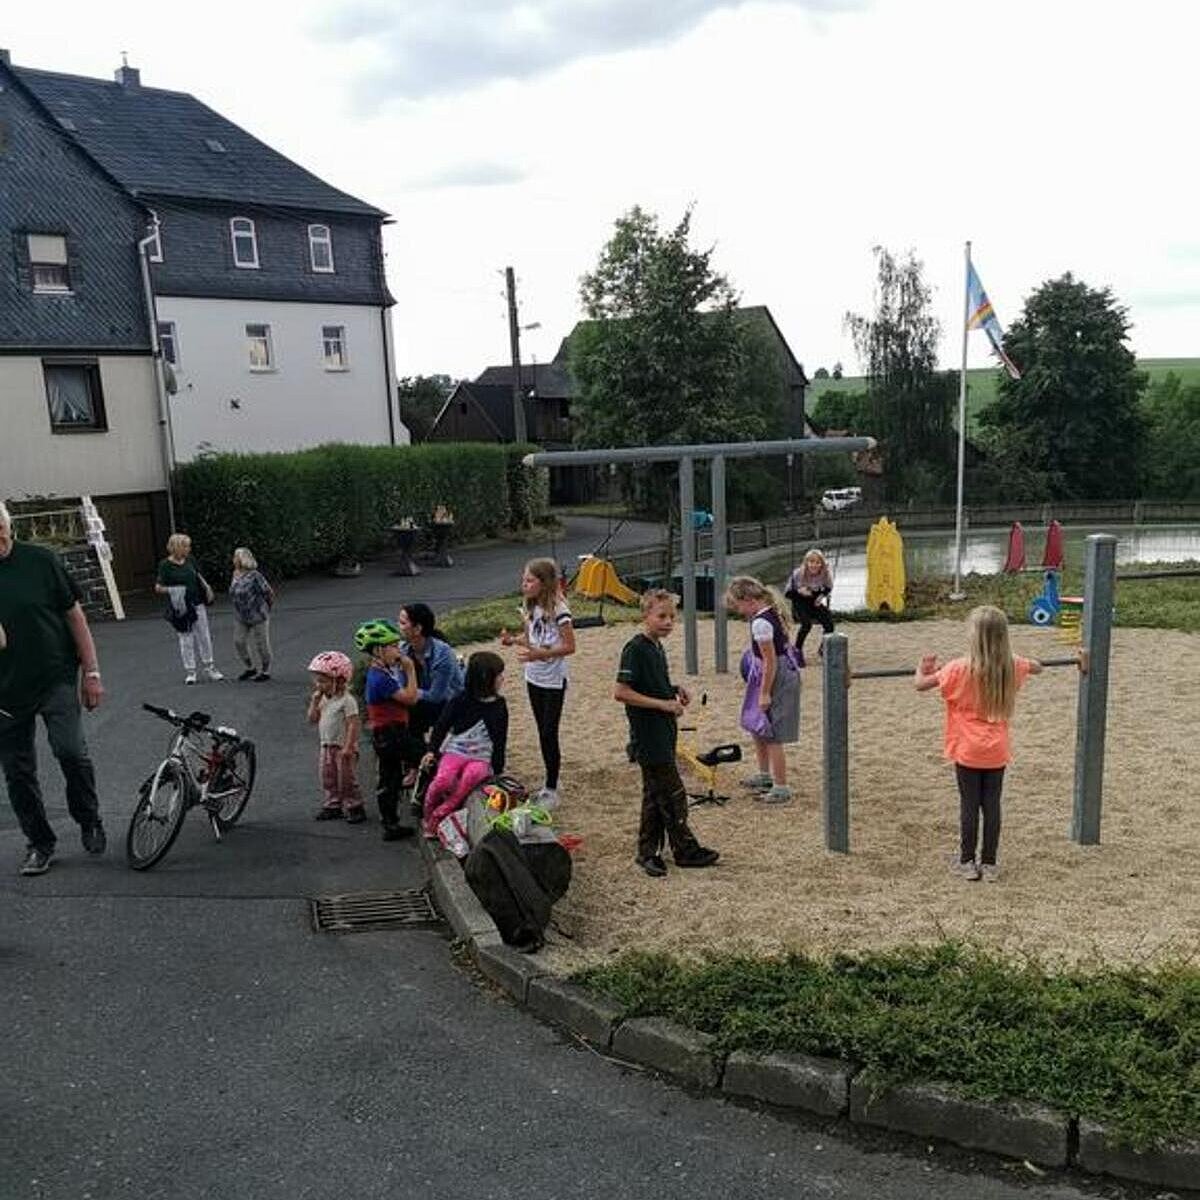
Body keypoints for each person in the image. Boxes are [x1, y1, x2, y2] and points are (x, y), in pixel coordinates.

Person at [0, 501, 106, 875]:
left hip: (54, 676)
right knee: (17, 771)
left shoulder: (40, 561)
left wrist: (91, 673)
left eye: (0, 528)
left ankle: (88, 818)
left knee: (70, 751)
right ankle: (40, 842)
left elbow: (74, 616)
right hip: (5, 692)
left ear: (9, 528)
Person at [915, 605, 1046, 882]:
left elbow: (921, 684)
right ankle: (989, 863)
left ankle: (966, 861)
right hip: (996, 750)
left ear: (974, 637)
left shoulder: (958, 668)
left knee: (969, 805)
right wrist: (1017, 658)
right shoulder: (1010, 666)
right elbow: (1038, 667)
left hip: (967, 750)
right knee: (992, 805)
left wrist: (923, 668)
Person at [614, 589, 719, 877]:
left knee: (655, 794)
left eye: (672, 616)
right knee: (673, 793)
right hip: (648, 735)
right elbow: (621, 692)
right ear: (645, 616)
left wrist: (673, 689)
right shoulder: (635, 648)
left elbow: (650, 683)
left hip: (663, 731)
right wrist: (663, 704)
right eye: (661, 616)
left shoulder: (656, 647)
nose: (668, 622)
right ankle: (685, 850)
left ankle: (647, 852)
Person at [499, 557, 575, 808]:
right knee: (542, 731)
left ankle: (552, 787)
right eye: (524, 579)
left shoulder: (560, 609)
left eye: (530, 580)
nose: (524, 584)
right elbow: (534, 637)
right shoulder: (531, 606)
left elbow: (569, 646)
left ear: (544, 583)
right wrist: (513, 640)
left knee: (548, 732)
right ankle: (550, 778)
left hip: (553, 678)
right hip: (533, 676)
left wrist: (539, 654)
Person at [726, 575, 801, 804]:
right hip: (767, 673)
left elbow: (770, 661)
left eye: (737, 605)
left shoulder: (761, 623)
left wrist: (765, 692)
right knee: (758, 725)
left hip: (775, 677)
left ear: (748, 599)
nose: (738, 611)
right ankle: (764, 774)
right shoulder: (768, 613)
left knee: (773, 732)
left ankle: (781, 786)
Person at [421, 650, 508, 837]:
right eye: (498, 675)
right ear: (485, 679)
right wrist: (432, 751)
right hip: (456, 751)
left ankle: (439, 815)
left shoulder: (500, 705)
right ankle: (427, 813)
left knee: (470, 778)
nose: (502, 679)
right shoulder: (460, 699)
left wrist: (498, 770)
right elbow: (441, 726)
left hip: (482, 757)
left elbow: (501, 739)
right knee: (443, 781)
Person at [356, 618, 418, 841]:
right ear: (378, 650)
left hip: (385, 734)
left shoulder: (382, 672)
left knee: (389, 777)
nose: (398, 651)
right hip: (392, 733)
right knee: (426, 758)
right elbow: (410, 698)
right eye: (392, 646)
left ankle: (390, 824)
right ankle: (419, 807)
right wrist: (411, 671)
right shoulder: (380, 679)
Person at [155, 533, 223, 685]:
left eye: (188, 546)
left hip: (197, 603)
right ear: (176, 547)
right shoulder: (165, 565)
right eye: (185, 546)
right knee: (185, 638)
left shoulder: (191, 560)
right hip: (180, 606)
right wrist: (175, 590)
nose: (188, 549)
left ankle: (210, 666)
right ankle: (191, 671)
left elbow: (198, 575)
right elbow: (158, 587)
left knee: (204, 635)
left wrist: (207, 588)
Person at [398, 602, 463, 757]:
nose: (398, 627)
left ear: (418, 629)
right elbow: (399, 683)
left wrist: (409, 692)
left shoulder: (442, 654)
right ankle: (415, 760)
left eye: (403, 623)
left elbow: (437, 695)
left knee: (412, 709)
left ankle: (427, 757)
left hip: (451, 702)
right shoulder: (403, 649)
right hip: (422, 699)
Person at [306, 650, 364, 823]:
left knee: (346, 778)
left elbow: (353, 724)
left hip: (342, 746)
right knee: (328, 776)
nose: (318, 685)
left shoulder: (347, 701)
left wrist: (349, 746)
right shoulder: (324, 699)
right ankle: (333, 804)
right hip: (326, 745)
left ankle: (354, 805)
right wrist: (315, 702)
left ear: (338, 680)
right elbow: (312, 719)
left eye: (323, 681)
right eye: (317, 680)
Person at [229, 546, 275, 682]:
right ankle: (250, 667)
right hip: (241, 615)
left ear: (242, 559)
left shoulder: (255, 575)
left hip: (257, 614)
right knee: (239, 641)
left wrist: (267, 608)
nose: (233, 559)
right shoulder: (235, 573)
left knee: (261, 644)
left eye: (235, 556)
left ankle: (265, 670)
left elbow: (269, 592)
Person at [785, 547, 835, 660]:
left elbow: (828, 588)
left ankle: (824, 648)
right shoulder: (798, 573)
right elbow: (787, 593)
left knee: (829, 624)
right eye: (811, 562)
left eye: (818, 562)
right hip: (799, 602)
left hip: (814, 602)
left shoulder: (825, 573)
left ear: (822, 564)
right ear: (806, 562)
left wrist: (821, 596)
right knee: (806, 625)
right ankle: (797, 650)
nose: (814, 565)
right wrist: (799, 591)